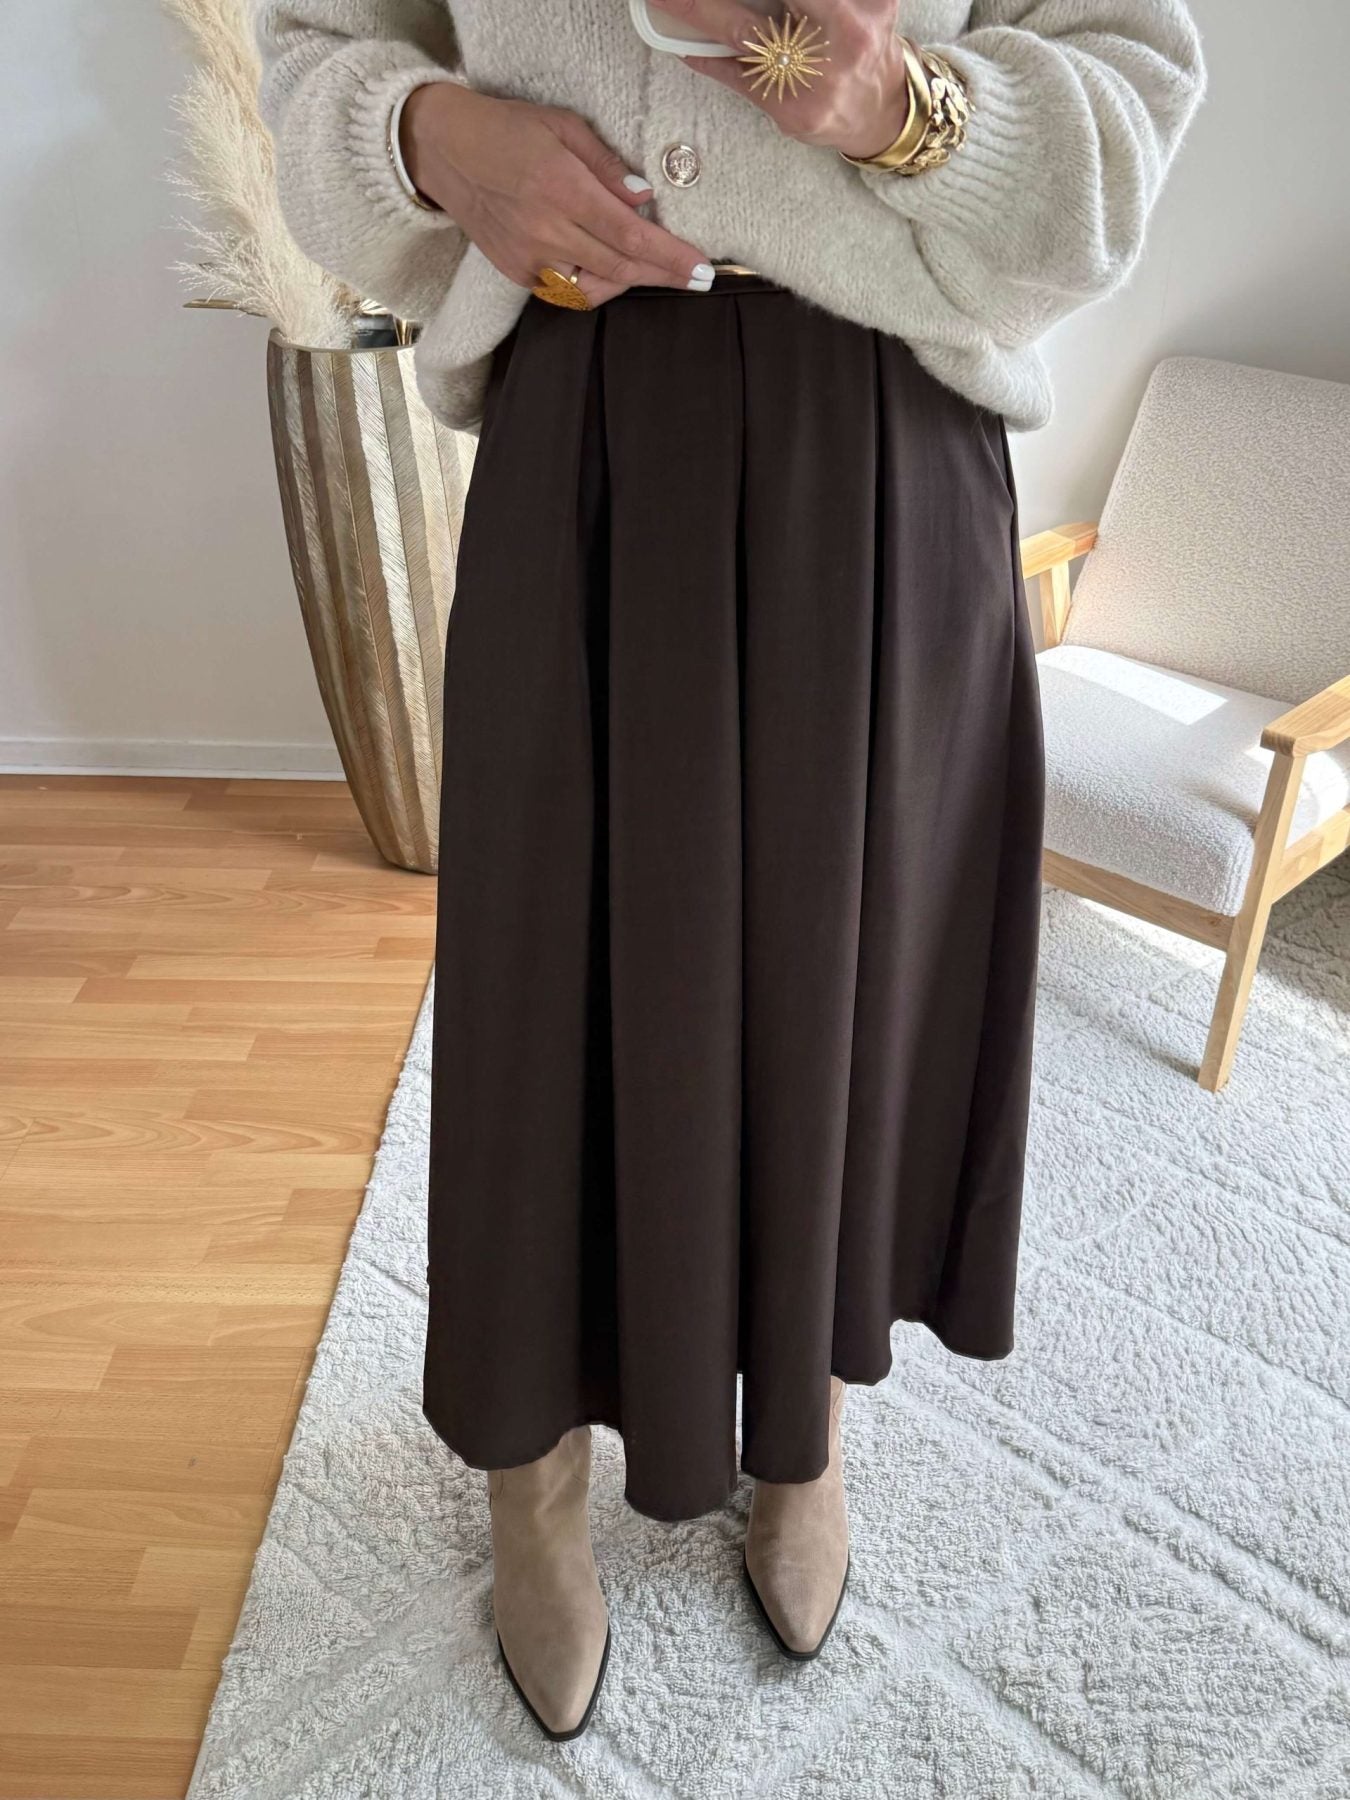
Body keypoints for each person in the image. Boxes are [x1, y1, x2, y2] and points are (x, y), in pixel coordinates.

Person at [256, 0, 1206, 1742]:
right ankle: (532, 1471)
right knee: (551, 975)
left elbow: (1124, 102)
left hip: (890, 427)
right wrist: (424, 139)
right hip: (587, 410)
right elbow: (316, 43)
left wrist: (905, 108)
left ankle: (800, 1436)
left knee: (849, 970)